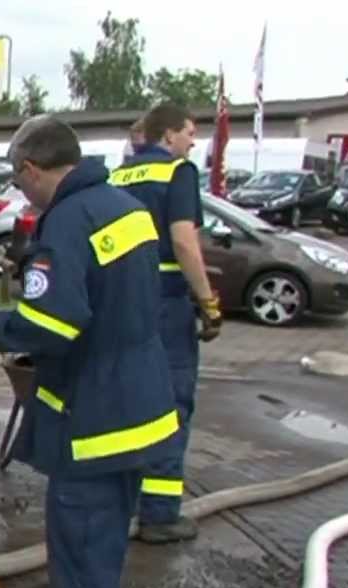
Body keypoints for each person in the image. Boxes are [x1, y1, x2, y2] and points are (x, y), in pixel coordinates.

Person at [0, 116, 179, 588]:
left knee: (82, 541)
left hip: (95, 415)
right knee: (108, 535)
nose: (21, 190)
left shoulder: (66, 222)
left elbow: (53, 323)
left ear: (32, 169)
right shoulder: (127, 206)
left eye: (20, 179)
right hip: (145, 404)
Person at [109, 103, 221, 545]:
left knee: (124, 400)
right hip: (164, 304)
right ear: (169, 135)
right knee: (171, 405)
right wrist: (207, 300)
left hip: (117, 302)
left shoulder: (118, 177)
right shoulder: (179, 173)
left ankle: (121, 499)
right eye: (190, 133)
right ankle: (158, 513)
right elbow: (183, 242)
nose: (193, 142)